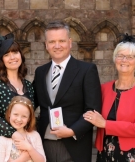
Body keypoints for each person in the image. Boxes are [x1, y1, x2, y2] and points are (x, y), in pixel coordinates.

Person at [33, 20, 102, 162]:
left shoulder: (86, 70)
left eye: (61, 41)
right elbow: (31, 103)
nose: (57, 46)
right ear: (46, 45)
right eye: (52, 42)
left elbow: (93, 110)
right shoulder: (40, 72)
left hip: (75, 146)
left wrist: (72, 131)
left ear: (70, 42)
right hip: (44, 145)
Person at [83, 33, 135, 162]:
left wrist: (104, 124)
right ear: (115, 58)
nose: (124, 60)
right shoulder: (103, 88)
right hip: (106, 152)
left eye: (130, 57)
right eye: (120, 56)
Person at [0, 33, 35, 162]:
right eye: (6, 54)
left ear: (21, 55)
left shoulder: (28, 85)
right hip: (0, 144)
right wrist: (15, 134)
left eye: (15, 52)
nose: (12, 57)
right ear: (1, 60)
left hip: (24, 145)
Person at [0, 96, 46, 162]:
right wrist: (21, 159)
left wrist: (29, 148)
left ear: (29, 118)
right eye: (16, 114)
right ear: (9, 114)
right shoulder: (2, 140)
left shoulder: (35, 135)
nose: (19, 119)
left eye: (24, 116)